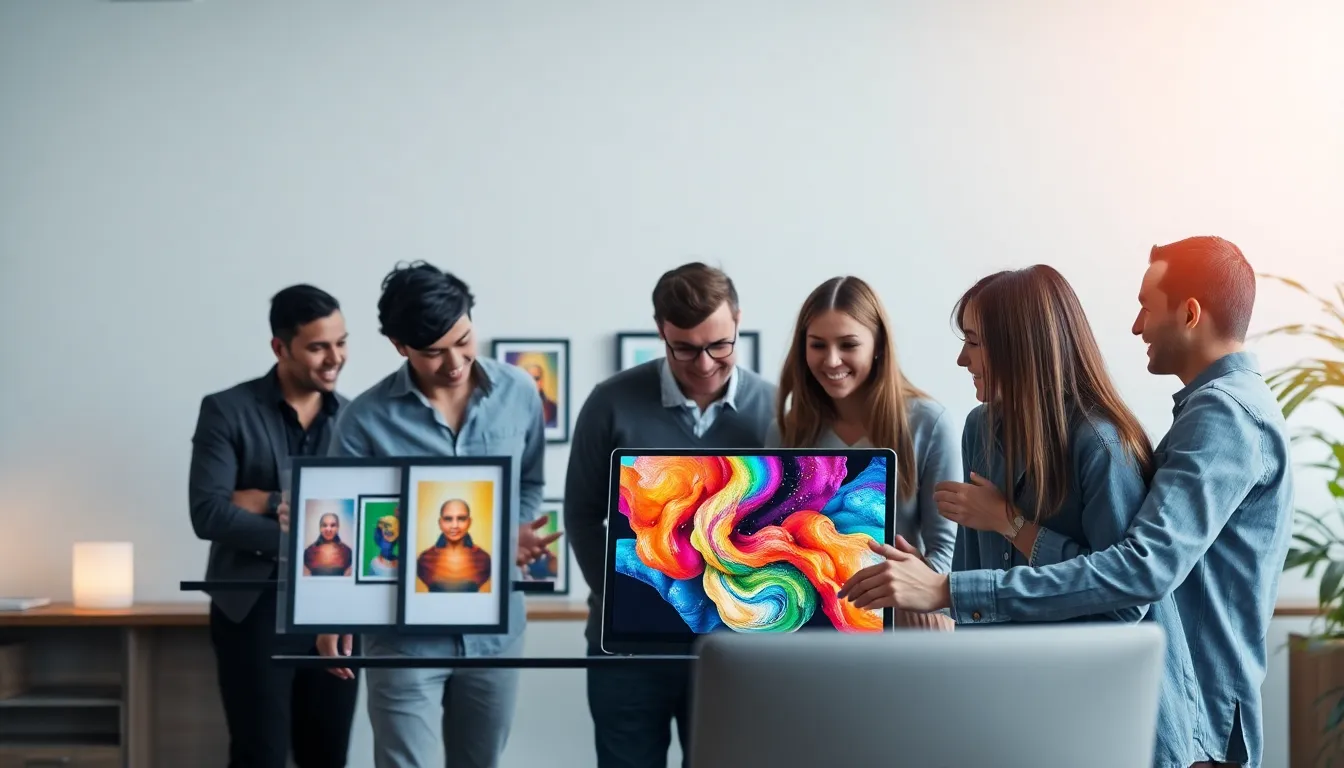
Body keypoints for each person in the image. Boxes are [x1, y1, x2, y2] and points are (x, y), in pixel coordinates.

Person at [844, 237, 1293, 768]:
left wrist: (962, 575)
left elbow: (1136, 579)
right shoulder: (980, 429)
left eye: (1146, 307)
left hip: (1149, 717)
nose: (1135, 325)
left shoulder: (1204, 422)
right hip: (1016, 715)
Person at [316, 262, 558, 768]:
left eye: (464, 340)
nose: (454, 362)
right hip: (403, 640)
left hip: (497, 634)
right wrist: (332, 612)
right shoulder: (364, 420)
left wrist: (509, 531)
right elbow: (348, 521)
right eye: (433, 352)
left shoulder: (519, 391)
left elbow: (530, 480)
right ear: (399, 346)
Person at [564, 262, 777, 768]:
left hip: (735, 645)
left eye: (719, 345)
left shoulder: (777, 409)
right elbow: (580, 513)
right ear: (660, 330)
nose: (703, 364)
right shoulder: (609, 402)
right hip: (630, 651)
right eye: (684, 347)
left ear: (738, 322)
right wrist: (621, 600)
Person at [188, 284, 360, 768]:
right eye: (318, 346)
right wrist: (315, 527)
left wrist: (268, 500)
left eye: (342, 342)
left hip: (337, 609)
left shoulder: (357, 418)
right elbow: (209, 513)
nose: (335, 358)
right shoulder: (225, 410)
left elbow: (366, 516)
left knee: (327, 757)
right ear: (279, 348)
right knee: (258, 755)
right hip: (253, 608)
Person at [766, 276, 960, 630]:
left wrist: (915, 593)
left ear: (878, 346)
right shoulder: (787, 430)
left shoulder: (928, 424)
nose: (832, 360)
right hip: (810, 619)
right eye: (818, 345)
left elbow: (946, 549)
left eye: (848, 344)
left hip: (904, 620)